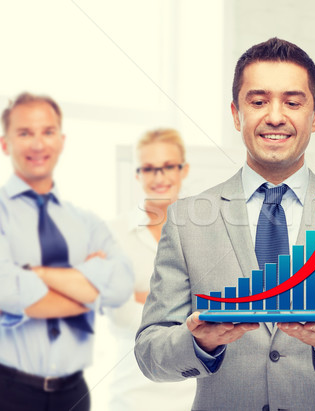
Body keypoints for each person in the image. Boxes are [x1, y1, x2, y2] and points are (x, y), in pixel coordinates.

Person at [134, 37, 315, 411]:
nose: (276, 116)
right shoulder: (186, 220)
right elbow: (149, 353)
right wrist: (200, 343)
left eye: (293, 102)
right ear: (236, 114)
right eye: (258, 101)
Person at [0, 92, 134, 411]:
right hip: (0, 392)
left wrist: (34, 274)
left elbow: (120, 287)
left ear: (61, 141)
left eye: (47, 132)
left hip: (73, 394)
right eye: (25, 133)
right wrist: (88, 287)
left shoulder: (87, 222)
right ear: (5, 143)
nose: (38, 145)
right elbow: (0, 289)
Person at [106, 128, 195, 411]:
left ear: (184, 170)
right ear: (137, 174)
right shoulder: (114, 233)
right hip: (133, 393)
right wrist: (187, 302)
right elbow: (120, 314)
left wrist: (146, 297)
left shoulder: (208, 230)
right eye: (149, 169)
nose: (159, 178)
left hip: (196, 390)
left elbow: (224, 306)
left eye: (168, 166)